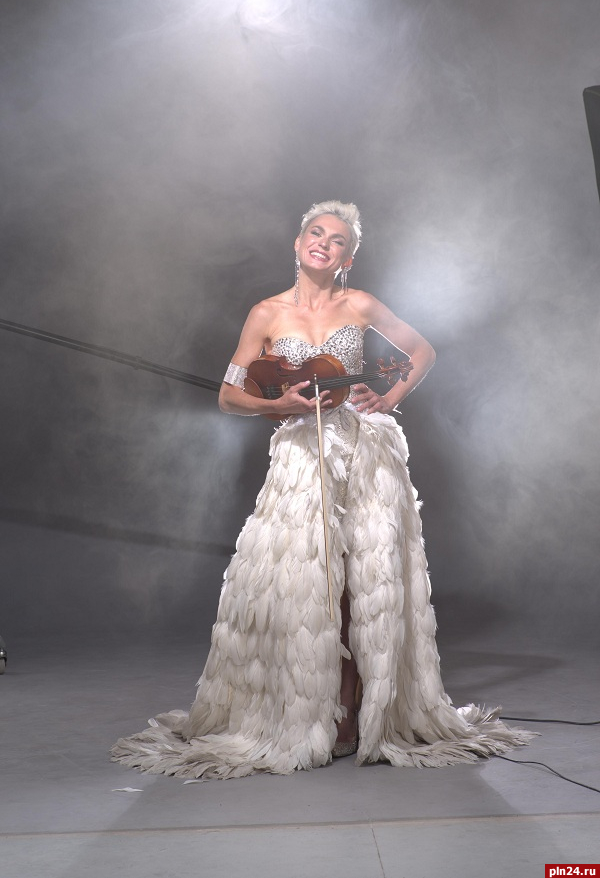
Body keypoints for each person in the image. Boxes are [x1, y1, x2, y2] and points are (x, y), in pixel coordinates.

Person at [111, 200, 534, 779]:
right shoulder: (265, 313)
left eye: (337, 241)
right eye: (316, 233)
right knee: (305, 579)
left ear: (347, 258)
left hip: (362, 450)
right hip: (301, 455)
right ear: (298, 243)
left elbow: (422, 351)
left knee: (365, 580)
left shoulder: (359, 304)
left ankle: (356, 711)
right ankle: (306, 708)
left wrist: (389, 397)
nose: (324, 244)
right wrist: (277, 405)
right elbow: (229, 395)